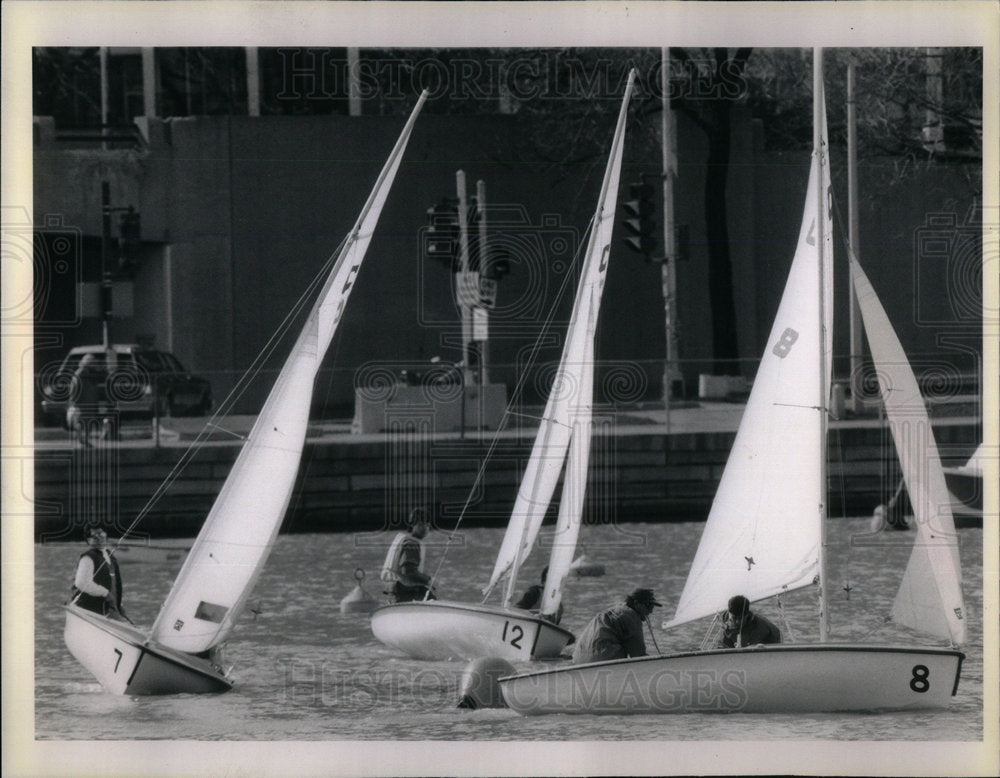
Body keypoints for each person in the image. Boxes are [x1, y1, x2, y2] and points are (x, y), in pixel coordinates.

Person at [572, 588, 661, 664]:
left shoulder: (614, 611)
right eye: (648, 606)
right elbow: (638, 654)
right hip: (602, 662)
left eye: (652, 607)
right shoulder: (631, 615)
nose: (651, 611)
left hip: (579, 661)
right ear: (636, 603)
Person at [69, 527, 128, 620]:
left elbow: (114, 585)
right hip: (88, 612)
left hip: (109, 610)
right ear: (88, 540)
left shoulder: (110, 556)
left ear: (106, 535)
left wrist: (119, 604)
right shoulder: (88, 558)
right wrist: (105, 593)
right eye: (94, 536)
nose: (99, 538)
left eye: (101, 534)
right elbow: (81, 583)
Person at [382, 508, 435, 603]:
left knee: (429, 596)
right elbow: (408, 571)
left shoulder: (404, 539)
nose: (425, 528)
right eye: (421, 524)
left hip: (394, 589)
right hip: (403, 590)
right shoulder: (411, 543)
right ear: (412, 525)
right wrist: (428, 580)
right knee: (432, 600)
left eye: (428, 525)